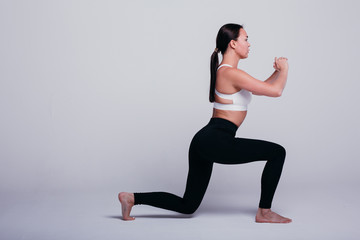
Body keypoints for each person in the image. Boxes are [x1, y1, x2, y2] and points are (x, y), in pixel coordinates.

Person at [119, 23, 292, 223]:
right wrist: (285, 69)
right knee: (277, 152)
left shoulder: (228, 72)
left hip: (206, 140)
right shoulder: (230, 73)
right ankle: (264, 212)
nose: (249, 44)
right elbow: (276, 92)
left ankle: (131, 198)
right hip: (216, 139)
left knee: (188, 205)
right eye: (246, 39)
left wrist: (277, 72)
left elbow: (262, 87)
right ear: (233, 44)